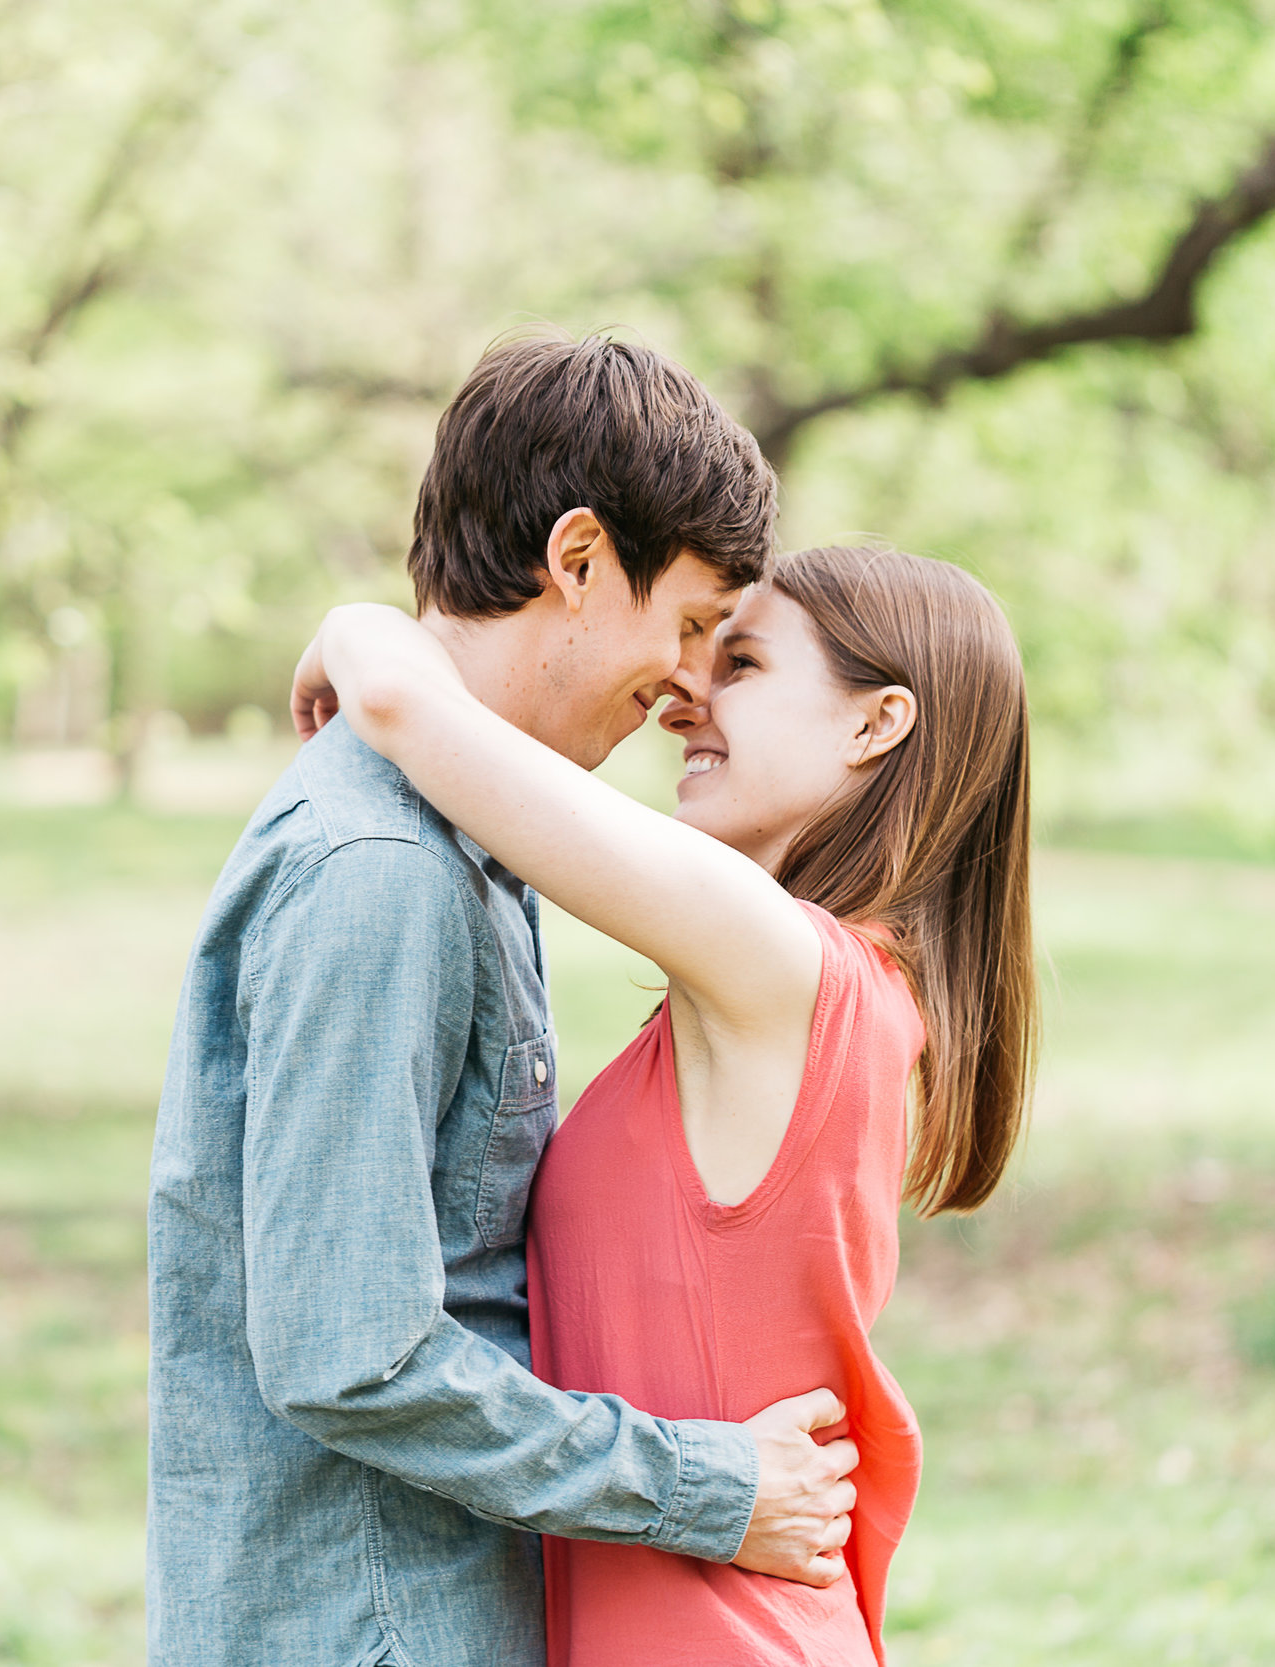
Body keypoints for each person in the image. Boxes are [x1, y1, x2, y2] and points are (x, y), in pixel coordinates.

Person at [147, 333, 862, 1667]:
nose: (691, 687)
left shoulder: (465, 833)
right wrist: (708, 1486)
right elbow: (349, 1355)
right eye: (695, 623)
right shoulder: (383, 871)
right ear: (580, 561)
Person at [289, 542, 1037, 1665]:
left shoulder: (785, 968)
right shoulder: (783, 986)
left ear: (875, 724)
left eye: (739, 660)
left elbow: (403, 702)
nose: (686, 689)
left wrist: (349, 628)